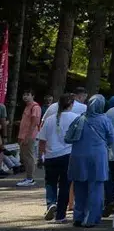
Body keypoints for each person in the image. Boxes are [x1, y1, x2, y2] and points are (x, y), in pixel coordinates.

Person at [66, 94, 114, 228]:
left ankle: (78, 216)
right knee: (96, 188)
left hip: (78, 156)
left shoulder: (80, 118)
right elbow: (111, 139)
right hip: (97, 157)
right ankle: (92, 218)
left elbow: (69, 137)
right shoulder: (104, 120)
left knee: (79, 187)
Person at [38, 94, 79, 222]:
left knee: (50, 182)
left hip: (51, 156)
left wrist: (41, 156)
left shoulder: (50, 119)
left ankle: (51, 203)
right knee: (65, 185)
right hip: (68, 156)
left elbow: (42, 141)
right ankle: (60, 215)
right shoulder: (76, 118)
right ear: (72, 104)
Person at [17, 91, 43, 187]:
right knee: (24, 156)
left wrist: (27, 137)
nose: (25, 97)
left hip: (29, 136)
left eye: (28, 95)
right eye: (24, 94)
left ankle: (30, 178)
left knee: (29, 157)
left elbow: (34, 123)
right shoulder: (28, 106)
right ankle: (28, 177)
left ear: (33, 96)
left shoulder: (35, 107)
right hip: (23, 135)